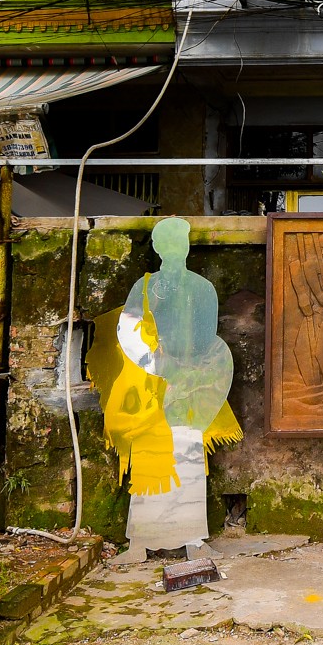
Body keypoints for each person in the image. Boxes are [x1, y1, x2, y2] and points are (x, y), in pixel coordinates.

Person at [106, 217, 240, 562]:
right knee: (149, 460)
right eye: (168, 244)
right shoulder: (144, 287)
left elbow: (206, 338)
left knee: (189, 457)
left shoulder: (202, 289)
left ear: (187, 247)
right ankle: (139, 543)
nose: (174, 250)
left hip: (189, 387)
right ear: (157, 248)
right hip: (151, 386)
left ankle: (193, 539)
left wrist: (189, 373)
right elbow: (128, 331)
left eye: (179, 243)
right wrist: (156, 364)